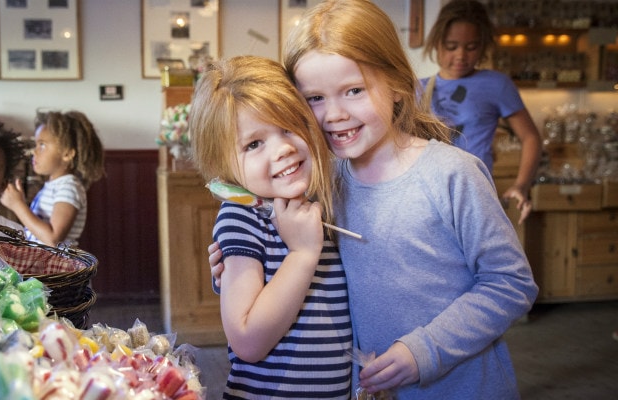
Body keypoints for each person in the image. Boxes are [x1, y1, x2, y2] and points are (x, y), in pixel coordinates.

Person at [210, 1, 539, 398]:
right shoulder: (322, 180)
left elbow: (511, 283)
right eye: (314, 98)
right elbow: (310, 273)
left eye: (353, 90)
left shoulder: (452, 174)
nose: (334, 114)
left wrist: (423, 351)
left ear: (398, 84)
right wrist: (240, 276)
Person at [190, 55, 352, 398]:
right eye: (253, 144)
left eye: (288, 127)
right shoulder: (242, 218)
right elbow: (247, 339)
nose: (283, 149)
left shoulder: (325, 205)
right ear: (224, 164)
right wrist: (303, 253)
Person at [421, 0, 542, 224]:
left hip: (476, 197)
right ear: (437, 43)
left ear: (483, 46)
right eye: (451, 46)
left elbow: (531, 137)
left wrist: (521, 185)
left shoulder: (496, 84)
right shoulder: (418, 88)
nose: (460, 56)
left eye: (471, 47)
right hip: (425, 199)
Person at [0, 110, 104, 247]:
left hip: (59, 266)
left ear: (67, 154)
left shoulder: (69, 187)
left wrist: (18, 205)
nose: (34, 151)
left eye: (42, 145)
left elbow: (53, 238)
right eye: (36, 145)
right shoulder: (54, 184)